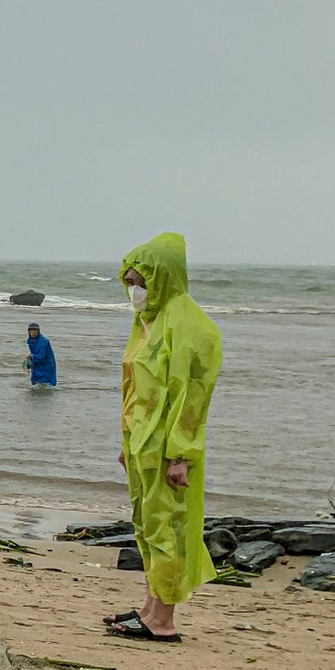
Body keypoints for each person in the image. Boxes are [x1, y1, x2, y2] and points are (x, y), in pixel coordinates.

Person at [103, 233, 222, 644]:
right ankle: (150, 606)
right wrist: (126, 443)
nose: (135, 291)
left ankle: (163, 620)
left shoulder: (189, 326)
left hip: (168, 449)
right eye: (130, 282)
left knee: (168, 527)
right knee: (148, 525)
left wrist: (180, 455)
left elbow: (192, 398)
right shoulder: (146, 323)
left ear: (164, 278)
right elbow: (137, 389)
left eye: (142, 282)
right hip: (141, 444)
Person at [25, 323, 58, 388]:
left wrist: (31, 358)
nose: (33, 332)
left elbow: (40, 357)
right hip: (36, 365)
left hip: (47, 365)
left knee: (47, 384)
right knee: (35, 384)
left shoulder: (43, 341)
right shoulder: (30, 340)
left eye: (35, 331)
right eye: (31, 330)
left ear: (38, 331)